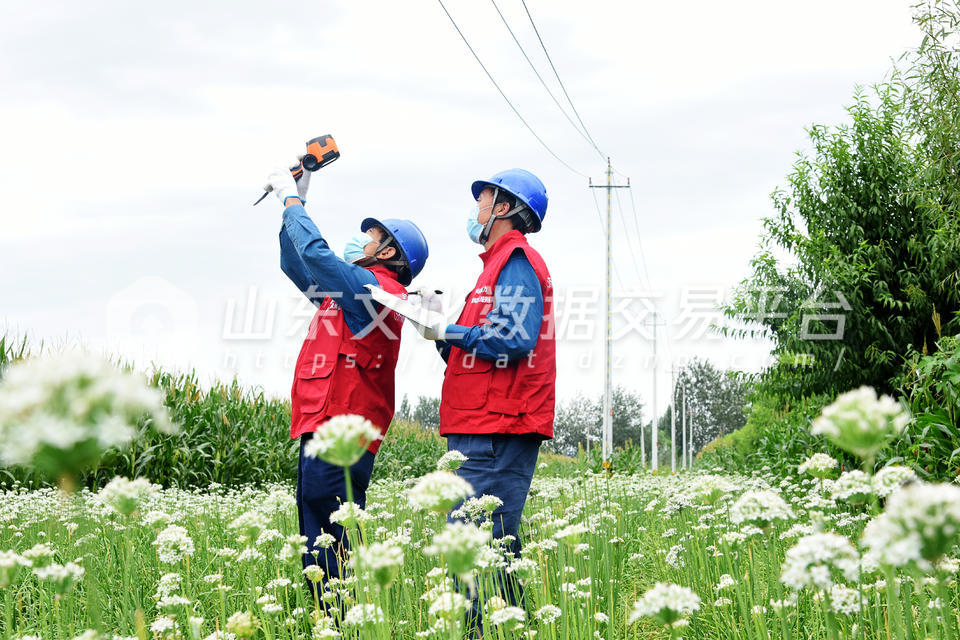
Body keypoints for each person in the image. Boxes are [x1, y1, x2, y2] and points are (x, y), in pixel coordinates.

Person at [263, 161, 429, 597]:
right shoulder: (346, 292)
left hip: (344, 427)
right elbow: (297, 263)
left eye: (371, 238)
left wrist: (291, 200)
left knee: (328, 531)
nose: (361, 241)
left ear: (387, 252)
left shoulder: (376, 292)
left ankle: (338, 619)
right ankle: (330, 617)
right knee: (317, 527)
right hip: (326, 421)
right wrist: (298, 201)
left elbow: (319, 255)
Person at [417, 168, 556, 626]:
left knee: (475, 552)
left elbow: (513, 338)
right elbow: (475, 356)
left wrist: (450, 329)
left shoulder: (515, 261)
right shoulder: (492, 270)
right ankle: (516, 628)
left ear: (503, 208)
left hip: (497, 429)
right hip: (479, 424)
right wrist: (438, 329)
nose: (476, 209)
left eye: (484, 200)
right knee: (492, 552)